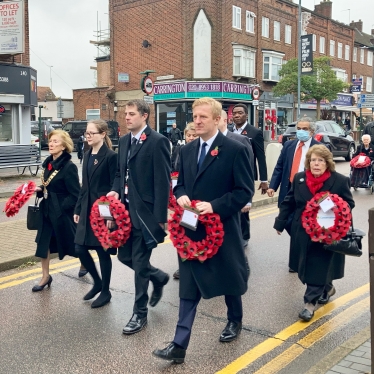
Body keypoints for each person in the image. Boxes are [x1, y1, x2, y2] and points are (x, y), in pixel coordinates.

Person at [153, 97, 252, 364]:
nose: (197, 121)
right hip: (190, 230)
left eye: (203, 117)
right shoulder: (186, 150)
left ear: (218, 119)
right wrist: (181, 195)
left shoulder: (234, 148)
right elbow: (180, 184)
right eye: (195, 116)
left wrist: (215, 206)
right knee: (188, 285)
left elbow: (244, 191)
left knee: (229, 276)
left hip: (222, 227)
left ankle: (235, 320)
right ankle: (179, 344)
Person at [108, 99, 170, 335]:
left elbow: (162, 182)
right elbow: (118, 173)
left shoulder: (157, 142)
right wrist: (115, 190)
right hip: (124, 213)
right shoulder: (123, 141)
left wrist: (159, 217)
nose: (127, 117)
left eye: (132, 113)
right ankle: (159, 276)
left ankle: (139, 314)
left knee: (141, 263)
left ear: (144, 116)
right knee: (125, 258)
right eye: (125, 113)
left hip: (145, 214)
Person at [274, 145, 354, 322]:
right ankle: (327, 287)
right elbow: (289, 202)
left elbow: (349, 204)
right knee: (307, 264)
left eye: (320, 160)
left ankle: (309, 304)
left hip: (327, 233)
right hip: (302, 231)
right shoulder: (299, 178)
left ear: (328, 163)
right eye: (313, 160)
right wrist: (280, 222)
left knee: (317, 264)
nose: (316, 164)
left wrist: (334, 204)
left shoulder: (339, 181)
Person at [73, 120, 118, 308]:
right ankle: (97, 282)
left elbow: (113, 187)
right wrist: (77, 208)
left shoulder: (110, 156)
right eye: (87, 133)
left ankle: (105, 290)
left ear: (103, 134)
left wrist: (110, 216)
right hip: (86, 208)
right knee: (79, 248)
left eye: (92, 133)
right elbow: (84, 186)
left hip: (102, 210)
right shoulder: (86, 154)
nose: (88, 136)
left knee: (102, 251)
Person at [32, 130, 80, 292]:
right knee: (43, 243)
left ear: (64, 146)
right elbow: (49, 186)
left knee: (74, 245)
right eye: (50, 141)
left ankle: (86, 264)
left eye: (55, 142)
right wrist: (40, 189)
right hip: (46, 211)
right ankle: (45, 276)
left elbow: (75, 194)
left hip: (61, 214)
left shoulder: (69, 167)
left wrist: (61, 206)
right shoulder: (48, 164)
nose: (51, 144)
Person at [231, 103, 268, 245]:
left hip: (247, 175)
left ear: (246, 115)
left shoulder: (254, 132)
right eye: (234, 113)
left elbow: (261, 157)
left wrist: (264, 180)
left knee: (244, 206)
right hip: (230, 175)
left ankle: (244, 236)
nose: (236, 115)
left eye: (240, 113)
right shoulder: (228, 131)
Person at [218, 110, 255, 248]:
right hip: (218, 196)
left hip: (236, 192)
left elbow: (248, 170)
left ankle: (243, 239)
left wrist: (248, 199)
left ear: (224, 121)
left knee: (240, 222)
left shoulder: (240, 140)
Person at [268, 117, 321, 207]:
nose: (301, 131)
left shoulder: (319, 148)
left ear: (312, 131)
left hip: (307, 189)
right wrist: (273, 186)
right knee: (284, 217)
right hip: (288, 188)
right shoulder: (288, 145)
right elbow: (279, 167)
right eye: (299, 129)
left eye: (305, 129)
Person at [171, 122, 198, 280]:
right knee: (181, 234)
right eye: (189, 135)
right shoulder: (180, 150)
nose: (191, 138)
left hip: (197, 202)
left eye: (194, 135)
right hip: (182, 200)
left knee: (195, 235)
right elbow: (173, 169)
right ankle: (183, 266)